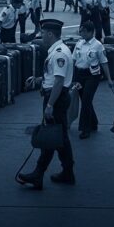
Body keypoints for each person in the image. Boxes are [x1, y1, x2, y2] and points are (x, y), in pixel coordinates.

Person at [16, 19, 75, 190]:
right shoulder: (58, 50)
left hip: (56, 99)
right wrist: (38, 80)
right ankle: (66, 173)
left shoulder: (59, 53)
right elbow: (53, 76)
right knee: (58, 137)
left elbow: (59, 81)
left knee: (52, 137)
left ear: (50, 34)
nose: (41, 36)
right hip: (56, 97)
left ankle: (39, 174)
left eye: (43, 33)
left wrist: (50, 105)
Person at [72, 21, 113, 139]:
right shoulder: (79, 43)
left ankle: (85, 129)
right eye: (80, 31)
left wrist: (109, 79)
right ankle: (93, 123)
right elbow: (73, 60)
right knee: (85, 100)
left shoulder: (98, 45)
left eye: (83, 31)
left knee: (86, 100)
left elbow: (104, 62)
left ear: (91, 32)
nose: (81, 33)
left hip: (92, 75)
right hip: (79, 74)